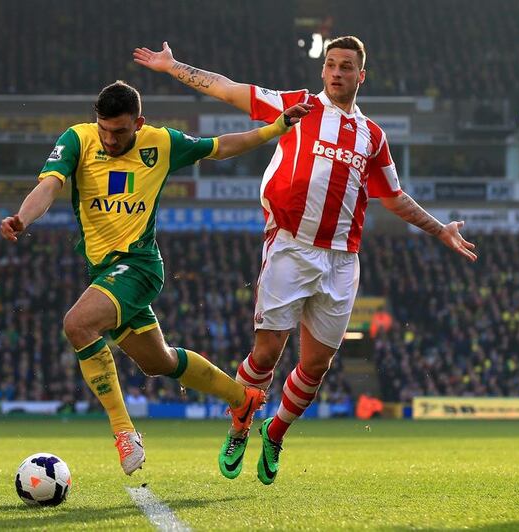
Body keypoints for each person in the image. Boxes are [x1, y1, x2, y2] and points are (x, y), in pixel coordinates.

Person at [134, 37, 478, 484]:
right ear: (323, 72)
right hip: (291, 246)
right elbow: (227, 88)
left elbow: (393, 196)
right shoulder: (297, 107)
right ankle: (241, 421)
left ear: (361, 76)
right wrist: (175, 66)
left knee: (315, 365)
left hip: (342, 260)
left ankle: (275, 433)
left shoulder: (373, 137)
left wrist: (439, 229)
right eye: (331, 65)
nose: (337, 73)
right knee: (268, 352)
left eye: (346, 67)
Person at [0, 80, 311, 476]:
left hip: (140, 265)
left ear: (139, 123)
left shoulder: (161, 144)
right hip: (104, 270)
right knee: (157, 361)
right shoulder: (77, 139)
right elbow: (50, 185)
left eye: (120, 131)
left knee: (77, 324)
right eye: (104, 129)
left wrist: (277, 127)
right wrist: (22, 218)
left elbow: (220, 146)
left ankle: (124, 432)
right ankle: (242, 398)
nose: (110, 139)